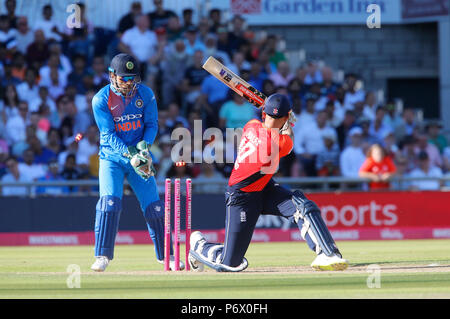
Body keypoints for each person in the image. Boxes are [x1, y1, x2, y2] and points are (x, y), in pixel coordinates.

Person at [188, 93, 349, 272]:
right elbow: (288, 138)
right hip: (242, 197)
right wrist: (289, 123)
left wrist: (285, 120)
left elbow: (271, 126)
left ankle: (328, 253)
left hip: (265, 187)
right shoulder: (276, 143)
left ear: (264, 114)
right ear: (286, 116)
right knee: (229, 263)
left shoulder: (251, 125)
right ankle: (199, 246)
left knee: (301, 205)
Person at [90, 53, 183, 272]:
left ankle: (166, 256)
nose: (130, 83)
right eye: (124, 78)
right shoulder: (101, 99)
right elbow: (109, 135)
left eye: (133, 78)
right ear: (112, 76)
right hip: (112, 158)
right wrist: (130, 154)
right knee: (110, 204)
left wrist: (144, 148)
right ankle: (102, 256)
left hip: (139, 159)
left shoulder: (146, 94)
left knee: (155, 206)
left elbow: (151, 125)